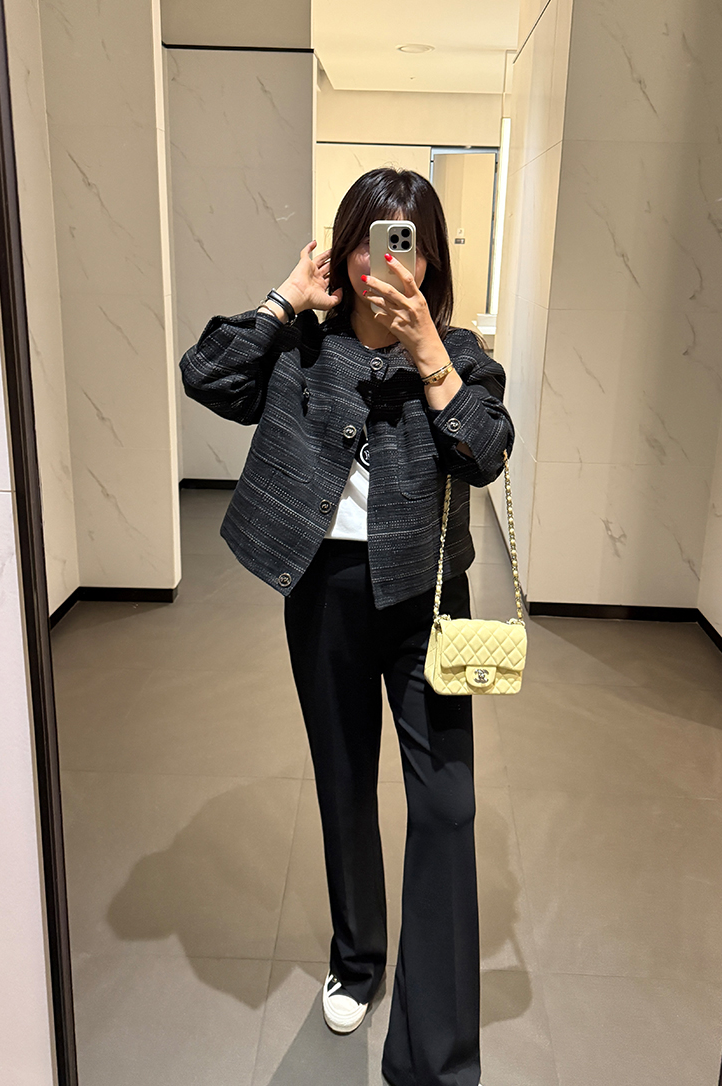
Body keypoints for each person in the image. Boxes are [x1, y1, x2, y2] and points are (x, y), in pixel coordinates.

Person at [179, 167, 514, 1086]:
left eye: (410, 246)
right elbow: (207, 376)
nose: (389, 264)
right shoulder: (301, 348)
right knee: (342, 785)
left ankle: (435, 1058)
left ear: (430, 259)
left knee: (446, 806)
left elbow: (486, 452)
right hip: (324, 592)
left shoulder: (460, 354)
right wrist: (286, 298)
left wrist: (429, 355)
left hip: (427, 602)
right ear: (348, 248)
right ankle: (358, 959)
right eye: (374, 242)